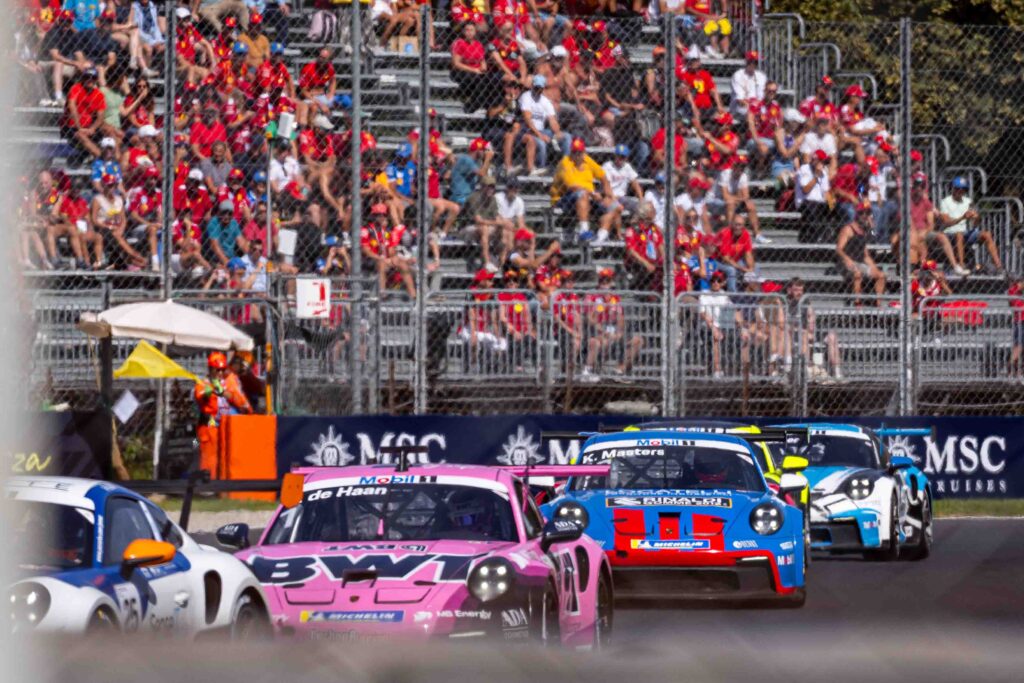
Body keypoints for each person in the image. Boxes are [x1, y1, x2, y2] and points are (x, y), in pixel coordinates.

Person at [897, 172, 970, 277]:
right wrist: (916, 233)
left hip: (924, 232)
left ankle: (955, 266)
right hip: (910, 232)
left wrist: (925, 232)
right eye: (917, 185)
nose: (919, 188)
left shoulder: (926, 202)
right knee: (914, 239)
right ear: (913, 186)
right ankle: (915, 268)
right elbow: (905, 222)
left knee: (942, 237)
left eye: (922, 185)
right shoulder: (906, 201)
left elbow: (930, 223)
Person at [194, 350, 252, 475]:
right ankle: (206, 486)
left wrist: (223, 392)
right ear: (210, 369)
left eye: (222, 369)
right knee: (207, 456)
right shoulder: (203, 383)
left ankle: (220, 485)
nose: (220, 373)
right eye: (217, 370)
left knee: (224, 457)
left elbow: (238, 399)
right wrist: (209, 391)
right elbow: (199, 395)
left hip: (225, 426)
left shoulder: (228, 383)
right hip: (208, 425)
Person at [581, 268, 644, 382]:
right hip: (597, 329)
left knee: (637, 340)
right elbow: (590, 319)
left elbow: (620, 317)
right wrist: (604, 331)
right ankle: (591, 370)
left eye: (608, 281)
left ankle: (620, 371)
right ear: (599, 282)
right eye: (603, 281)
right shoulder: (591, 296)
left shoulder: (615, 297)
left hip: (613, 328)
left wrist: (619, 332)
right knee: (600, 341)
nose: (605, 284)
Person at [550, 138, 615, 242]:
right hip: (563, 199)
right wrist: (593, 194)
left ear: (584, 152)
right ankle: (583, 231)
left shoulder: (587, 160)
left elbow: (603, 176)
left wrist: (608, 196)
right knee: (582, 194)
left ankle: (598, 240)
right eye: (575, 152)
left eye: (580, 152)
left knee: (613, 207)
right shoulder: (565, 163)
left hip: (588, 197)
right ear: (571, 152)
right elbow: (573, 187)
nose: (577, 155)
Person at [938, 176, 1003, 274]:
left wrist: (976, 217)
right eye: (957, 188)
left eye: (963, 189)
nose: (960, 191)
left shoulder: (968, 201)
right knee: (958, 233)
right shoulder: (945, 202)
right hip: (949, 233)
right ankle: (961, 266)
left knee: (987, 234)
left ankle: (999, 267)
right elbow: (946, 222)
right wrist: (963, 217)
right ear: (953, 188)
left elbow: (976, 223)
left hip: (965, 233)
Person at [783, 277, 842, 382]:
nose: (799, 293)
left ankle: (837, 373)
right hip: (796, 332)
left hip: (808, 330)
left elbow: (811, 315)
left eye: (801, 290)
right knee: (804, 334)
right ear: (789, 290)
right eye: (796, 290)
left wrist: (812, 323)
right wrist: (800, 329)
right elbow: (783, 323)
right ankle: (807, 370)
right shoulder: (785, 302)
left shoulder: (805, 300)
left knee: (832, 336)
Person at [518, 74, 570, 175]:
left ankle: (566, 166)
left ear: (543, 88)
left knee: (566, 137)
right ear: (532, 85)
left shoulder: (545, 101)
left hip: (542, 131)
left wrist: (557, 132)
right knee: (541, 143)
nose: (538, 90)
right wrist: (539, 135)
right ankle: (540, 169)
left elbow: (552, 120)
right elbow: (528, 120)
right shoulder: (526, 97)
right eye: (536, 87)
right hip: (528, 131)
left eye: (540, 88)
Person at [836, 200, 886, 303]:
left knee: (881, 275)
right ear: (857, 214)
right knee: (857, 273)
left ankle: (878, 304)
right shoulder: (848, 229)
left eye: (867, 213)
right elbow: (839, 249)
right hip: (845, 263)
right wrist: (848, 260)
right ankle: (857, 303)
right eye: (861, 213)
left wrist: (875, 269)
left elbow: (865, 253)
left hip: (859, 263)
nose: (864, 215)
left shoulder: (864, 230)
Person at [698, 270, 733, 378]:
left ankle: (745, 371)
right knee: (715, 337)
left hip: (724, 325)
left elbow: (732, 312)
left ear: (723, 283)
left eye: (719, 280)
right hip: (708, 326)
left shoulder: (725, 295)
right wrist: (713, 327)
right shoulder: (704, 294)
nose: (715, 283)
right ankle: (717, 369)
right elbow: (702, 313)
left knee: (745, 335)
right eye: (713, 280)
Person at [623, 201, 664, 292]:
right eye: (652, 210)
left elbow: (660, 244)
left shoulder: (654, 228)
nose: (655, 212)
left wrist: (666, 261)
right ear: (645, 213)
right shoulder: (633, 229)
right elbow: (630, 251)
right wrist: (646, 263)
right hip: (637, 265)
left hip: (654, 264)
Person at [714, 213, 755, 292]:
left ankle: (749, 294)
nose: (737, 227)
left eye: (740, 225)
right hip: (717, 261)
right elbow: (725, 258)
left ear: (743, 226)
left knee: (755, 268)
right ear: (732, 224)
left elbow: (748, 254)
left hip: (735, 260)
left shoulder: (745, 234)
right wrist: (742, 268)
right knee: (731, 270)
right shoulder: (725, 233)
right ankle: (733, 294)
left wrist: (751, 269)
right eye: (736, 225)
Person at [1009, 275, 1024, 380]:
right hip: (1019, 321)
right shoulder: (1013, 291)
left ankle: (1018, 372)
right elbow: (1018, 306)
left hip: (1021, 321)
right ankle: (1010, 367)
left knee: (1019, 347)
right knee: (1018, 346)